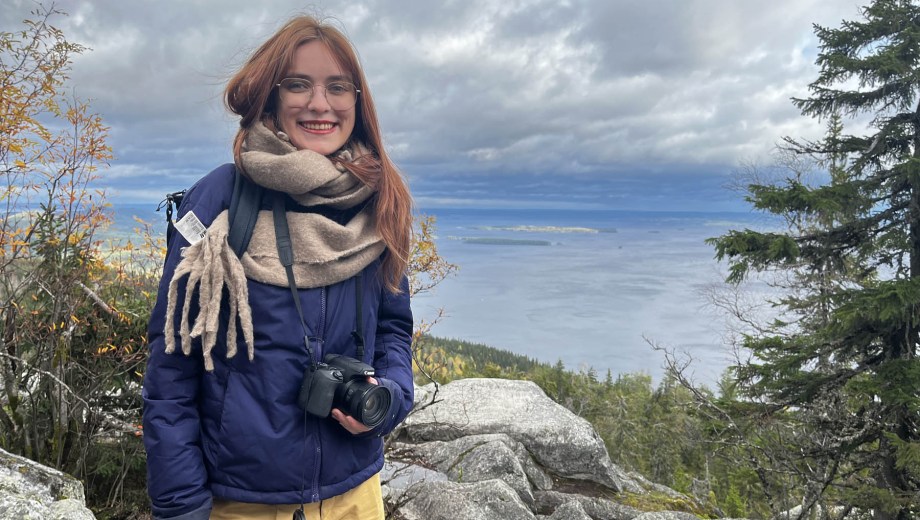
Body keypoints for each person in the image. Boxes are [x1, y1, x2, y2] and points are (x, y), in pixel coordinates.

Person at [143, 15, 414, 520]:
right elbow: (171, 370)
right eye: (298, 85)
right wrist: (180, 509)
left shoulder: (379, 205)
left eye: (338, 87)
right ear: (271, 97)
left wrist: (390, 399)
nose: (319, 103)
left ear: (358, 102)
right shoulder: (220, 198)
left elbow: (394, 331)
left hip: (355, 496)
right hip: (240, 504)